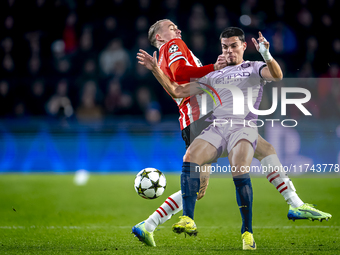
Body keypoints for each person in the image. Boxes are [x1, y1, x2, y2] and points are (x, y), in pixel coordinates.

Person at [132, 21, 332, 249]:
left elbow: (275, 74)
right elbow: (180, 76)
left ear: (243, 46)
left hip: (200, 117)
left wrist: (159, 70)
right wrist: (213, 69)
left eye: (232, 46)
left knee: (262, 150)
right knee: (200, 186)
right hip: (201, 117)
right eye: (171, 27)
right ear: (159, 36)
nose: (177, 29)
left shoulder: (248, 67)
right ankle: (154, 223)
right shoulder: (174, 45)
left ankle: (149, 225)